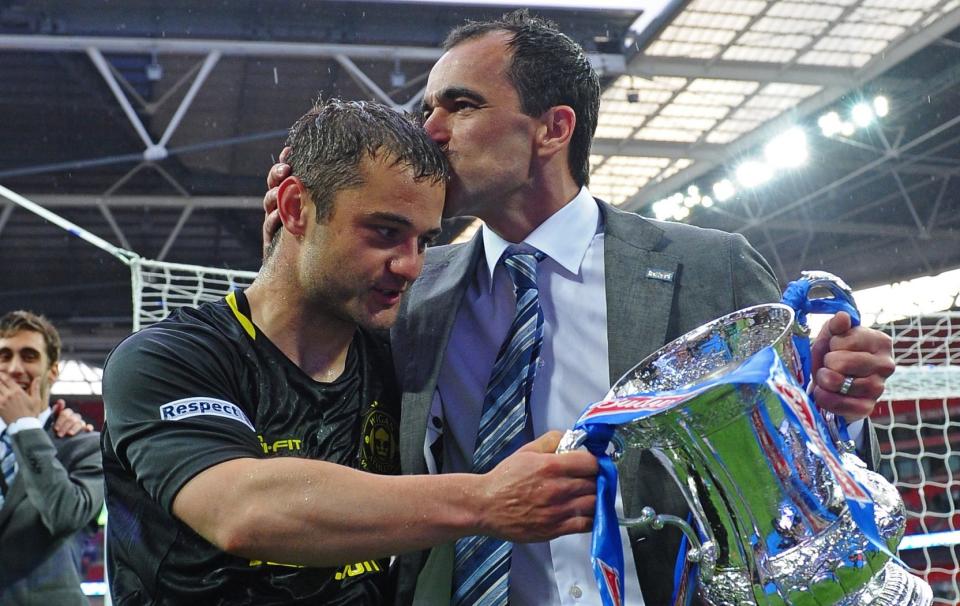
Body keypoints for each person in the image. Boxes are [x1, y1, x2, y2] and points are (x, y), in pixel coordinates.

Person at [260, 11, 898, 606]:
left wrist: (828, 400)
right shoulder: (410, 287)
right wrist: (293, 249)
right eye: (428, 108)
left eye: (461, 105)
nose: (429, 130)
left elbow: (805, 464)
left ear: (552, 128)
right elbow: (310, 395)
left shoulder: (709, 267)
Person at [101, 99, 597, 606]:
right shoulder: (168, 359)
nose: (410, 266)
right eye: (385, 232)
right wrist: (486, 499)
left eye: (424, 241)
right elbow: (242, 509)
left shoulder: (403, 365)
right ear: (294, 208)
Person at [0, 310, 104, 605]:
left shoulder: (87, 446)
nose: (14, 368)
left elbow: (64, 514)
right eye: (4, 356)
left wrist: (25, 427)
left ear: (53, 371)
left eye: (29, 356)